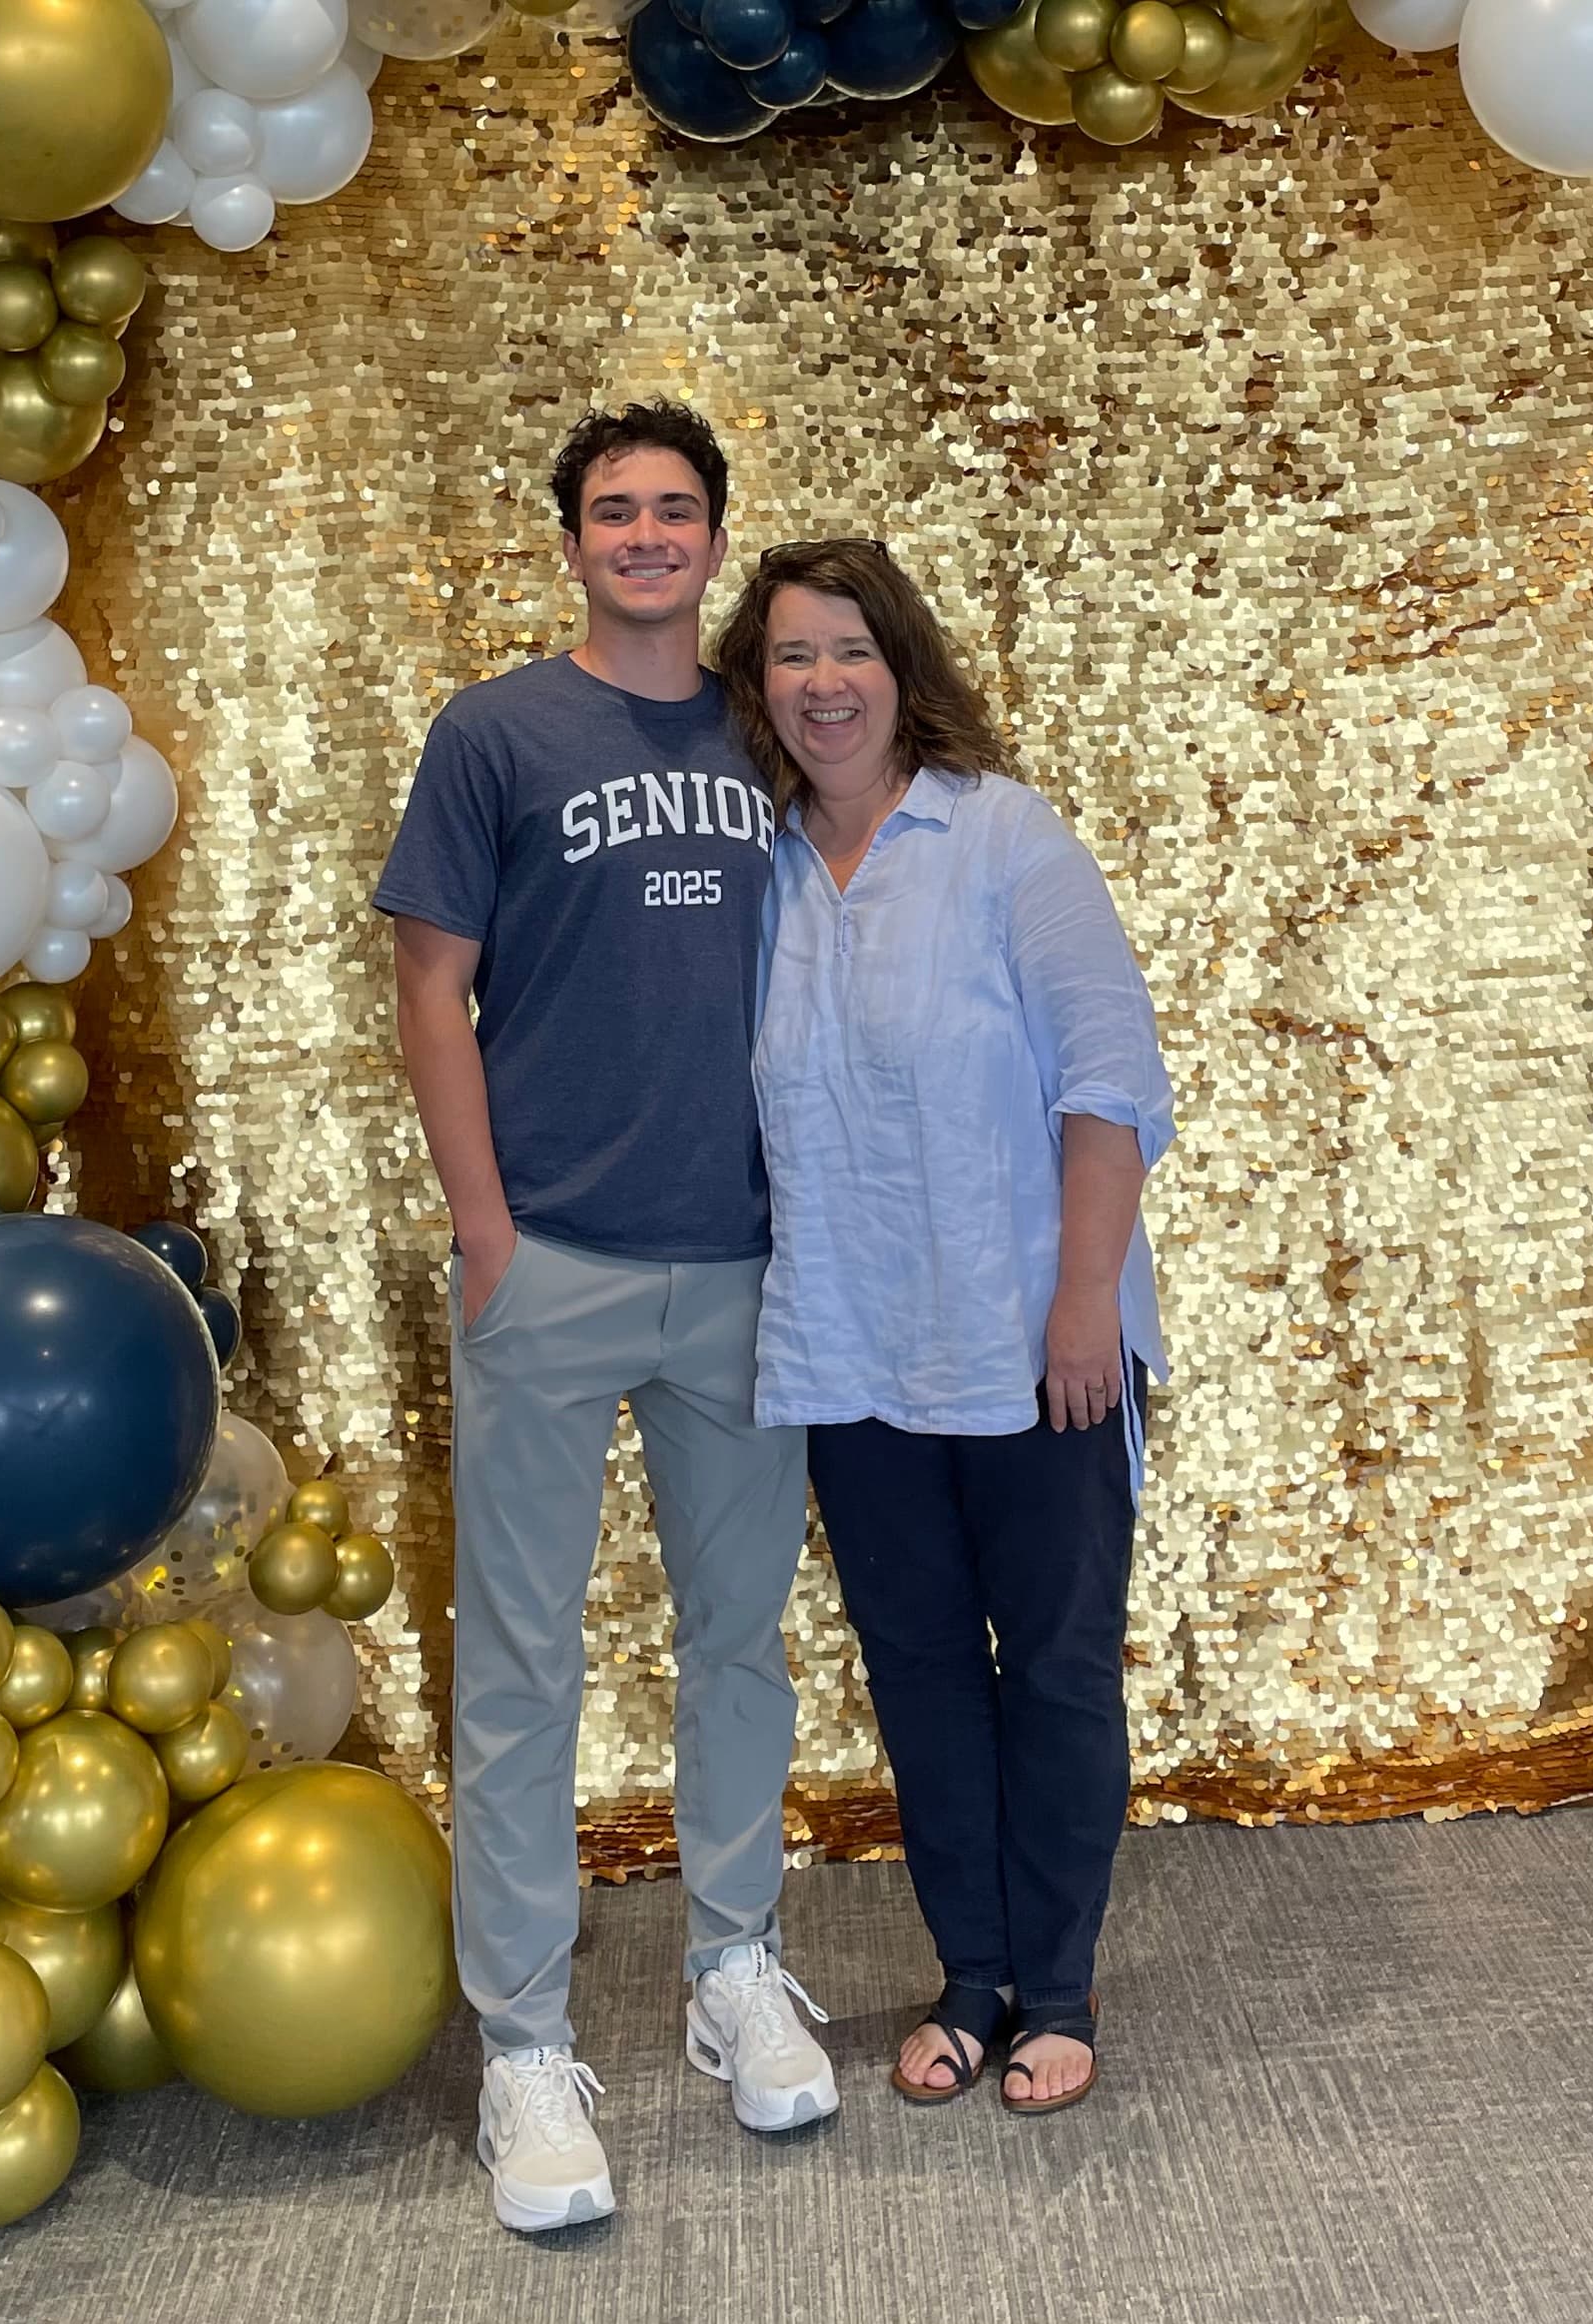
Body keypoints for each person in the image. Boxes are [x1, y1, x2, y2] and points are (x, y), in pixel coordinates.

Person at [376, 405, 836, 2234]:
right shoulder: (496, 730)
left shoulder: (771, 723)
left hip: (743, 1269)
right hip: (549, 1261)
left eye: (673, 509)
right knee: (521, 1670)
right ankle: (523, 2046)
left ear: (716, 537)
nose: (644, 534)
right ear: (570, 541)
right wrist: (484, 1229)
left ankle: (733, 1967)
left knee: (739, 1641)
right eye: (611, 510)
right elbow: (430, 991)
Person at [714, 538, 1174, 2117]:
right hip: (848, 1348)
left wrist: (1083, 1303)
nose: (823, 683)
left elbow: (1109, 1078)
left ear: (901, 667)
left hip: (1033, 1337)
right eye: (789, 656)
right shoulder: (756, 872)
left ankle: (1057, 1985)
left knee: (1049, 1669)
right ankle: (968, 1976)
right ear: (754, 688)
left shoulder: (998, 838)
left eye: (849, 649)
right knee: (916, 1670)